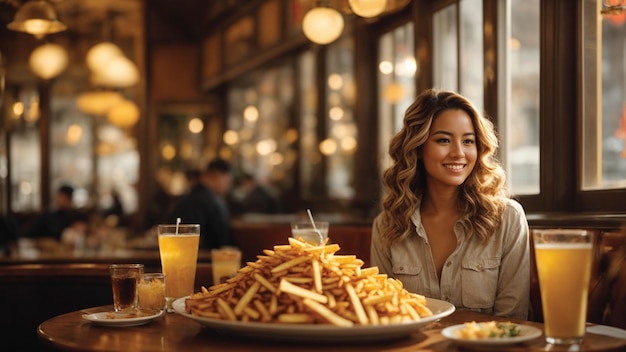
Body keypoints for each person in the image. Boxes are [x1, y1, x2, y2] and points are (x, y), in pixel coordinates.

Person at [370, 88, 530, 319]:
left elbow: (512, 320)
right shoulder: (387, 225)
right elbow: (386, 315)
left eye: (468, 141)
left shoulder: (508, 219)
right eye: (444, 140)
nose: (459, 153)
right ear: (418, 148)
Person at [166, 159, 234, 249]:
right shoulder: (214, 202)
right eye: (227, 181)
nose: (228, 186)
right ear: (218, 176)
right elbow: (220, 243)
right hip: (204, 259)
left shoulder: (185, 199)